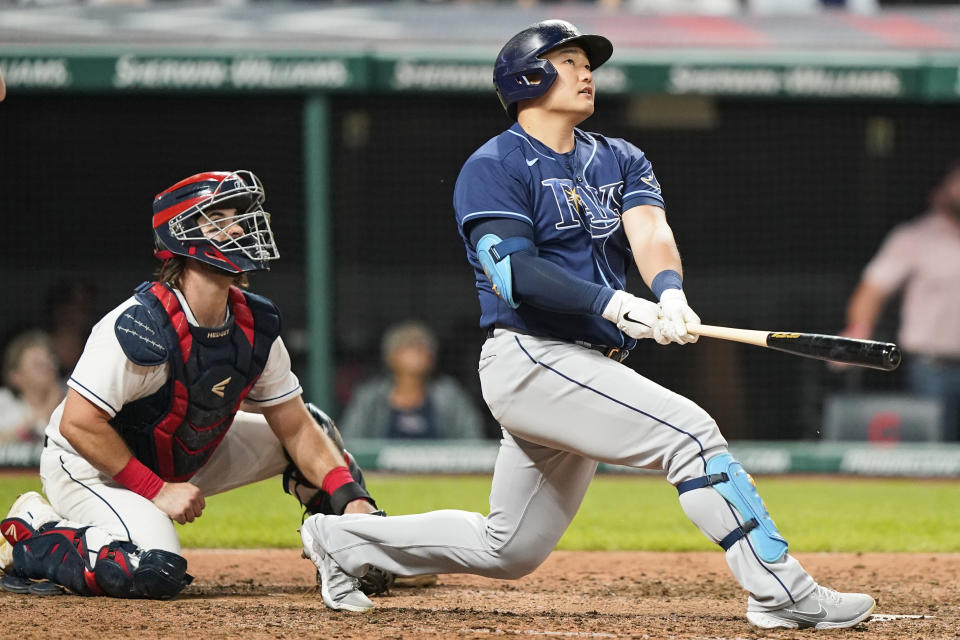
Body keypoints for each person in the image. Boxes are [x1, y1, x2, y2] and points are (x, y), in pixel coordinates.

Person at [295, 20, 876, 629]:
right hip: (531, 358)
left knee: (510, 549)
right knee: (691, 435)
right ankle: (781, 592)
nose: (584, 72)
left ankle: (343, 540)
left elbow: (649, 230)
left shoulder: (619, 156)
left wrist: (669, 293)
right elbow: (514, 271)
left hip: (587, 365)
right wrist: (614, 304)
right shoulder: (493, 165)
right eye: (568, 60)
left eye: (585, 62)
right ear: (527, 77)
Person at [0, 170, 389, 599]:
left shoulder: (256, 324)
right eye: (218, 218)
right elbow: (78, 423)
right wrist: (157, 491)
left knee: (317, 428)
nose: (239, 226)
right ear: (181, 236)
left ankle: (352, 547)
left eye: (237, 216)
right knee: (154, 570)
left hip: (182, 453)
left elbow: (296, 427)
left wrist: (350, 497)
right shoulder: (139, 325)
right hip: (92, 468)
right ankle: (33, 529)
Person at [840, 163, 960, 439]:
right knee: (935, 460)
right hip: (933, 370)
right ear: (938, 193)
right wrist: (859, 332)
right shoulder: (914, 237)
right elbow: (872, 290)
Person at [339, 321, 485, 440]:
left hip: (440, 474)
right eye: (409, 345)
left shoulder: (449, 396)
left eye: (424, 347)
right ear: (390, 357)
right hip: (381, 475)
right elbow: (351, 444)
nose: (418, 351)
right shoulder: (371, 397)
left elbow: (472, 442)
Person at [0, 330, 65, 445]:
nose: (48, 368)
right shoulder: (4, 401)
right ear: (16, 376)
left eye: (50, 361)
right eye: (38, 365)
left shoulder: (70, 401)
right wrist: (43, 415)